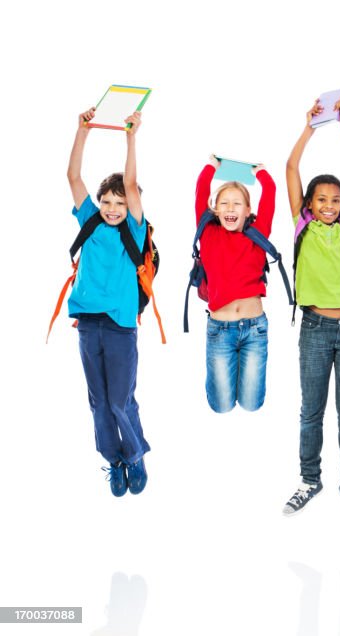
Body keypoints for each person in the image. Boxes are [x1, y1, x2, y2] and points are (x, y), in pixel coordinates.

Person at [281, 95, 340, 518]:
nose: (330, 205)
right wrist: (311, 127)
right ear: (309, 204)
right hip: (316, 328)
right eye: (322, 200)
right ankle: (309, 480)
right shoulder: (303, 224)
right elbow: (290, 169)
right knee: (311, 409)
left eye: (335, 200)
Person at [66, 107, 151, 496]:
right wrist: (82, 130)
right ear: (99, 202)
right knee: (99, 402)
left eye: (121, 202)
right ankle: (113, 460)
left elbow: (132, 184)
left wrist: (130, 136)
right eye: (108, 201)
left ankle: (134, 455)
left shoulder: (134, 228)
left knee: (120, 400)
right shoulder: (91, 220)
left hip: (119, 326)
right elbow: (73, 176)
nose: (114, 207)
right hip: (88, 324)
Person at [193, 156, 276, 413]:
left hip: (255, 329)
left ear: (248, 210)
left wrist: (260, 173)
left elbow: (270, 193)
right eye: (224, 203)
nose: (230, 208)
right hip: (220, 330)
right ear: (215, 210)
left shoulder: (258, 232)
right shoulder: (208, 233)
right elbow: (200, 192)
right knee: (221, 406)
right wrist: (211, 167)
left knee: (252, 404)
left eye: (237, 203)